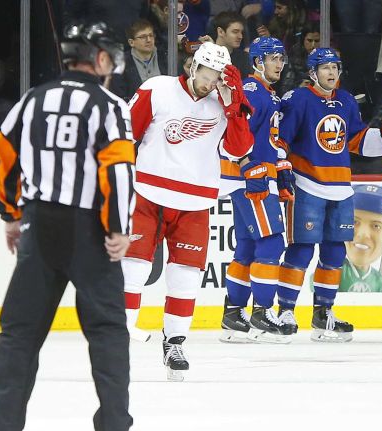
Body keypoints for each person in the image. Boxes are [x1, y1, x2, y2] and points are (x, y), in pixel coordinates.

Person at [0, 22, 135, 430]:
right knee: (107, 334)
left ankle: (3, 424)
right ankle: (114, 424)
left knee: (18, 335)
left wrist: (11, 215)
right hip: (90, 233)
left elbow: (0, 160)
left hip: (39, 227)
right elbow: (117, 171)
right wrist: (118, 227)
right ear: (100, 58)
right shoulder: (108, 105)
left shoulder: (32, 99)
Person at [121, 42, 254, 381]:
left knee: (185, 277)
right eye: (206, 75)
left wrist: (235, 108)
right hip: (148, 194)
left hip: (195, 203)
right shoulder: (158, 88)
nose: (210, 84)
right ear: (193, 67)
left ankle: (175, 342)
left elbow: (239, 150)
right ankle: (117, 336)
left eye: (216, 79)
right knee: (133, 266)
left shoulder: (223, 105)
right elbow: (125, 136)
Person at [275, 47, 382, 342]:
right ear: (313, 73)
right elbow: (281, 139)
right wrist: (281, 166)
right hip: (307, 185)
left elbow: (358, 142)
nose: (331, 73)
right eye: (325, 67)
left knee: (335, 252)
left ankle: (323, 313)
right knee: (301, 249)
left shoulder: (346, 101)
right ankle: (286, 310)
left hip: (341, 189)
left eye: (335, 67)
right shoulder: (299, 99)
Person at [219, 36, 294, 344]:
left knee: (248, 246)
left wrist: (281, 164)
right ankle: (261, 311)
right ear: (258, 62)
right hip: (251, 180)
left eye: (281, 58)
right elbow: (235, 134)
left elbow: (268, 138)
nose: (280, 64)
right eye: (274, 58)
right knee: (272, 242)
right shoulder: (253, 92)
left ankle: (233, 314)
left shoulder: (267, 94)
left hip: (254, 176)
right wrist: (252, 166)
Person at [336, 184, 382, 293]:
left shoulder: (379, 280)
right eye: (354, 222)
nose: (363, 234)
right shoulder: (332, 273)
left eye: (376, 226)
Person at [111, 19, 168, 100]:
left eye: (151, 35)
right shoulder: (121, 64)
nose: (149, 40)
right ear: (131, 42)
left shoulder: (166, 57)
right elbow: (119, 97)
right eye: (143, 37)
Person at [209, 11, 253, 77]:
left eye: (241, 32)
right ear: (220, 32)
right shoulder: (205, 55)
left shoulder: (245, 58)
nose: (240, 36)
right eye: (235, 32)